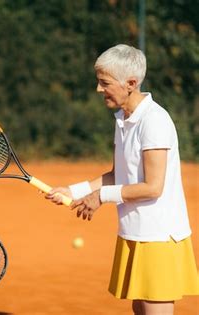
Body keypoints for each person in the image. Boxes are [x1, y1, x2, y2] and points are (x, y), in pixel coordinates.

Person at [46, 44, 199, 315]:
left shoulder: (154, 121)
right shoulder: (123, 118)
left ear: (130, 83)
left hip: (158, 236)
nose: (98, 89)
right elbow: (119, 173)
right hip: (135, 231)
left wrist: (101, 197)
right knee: (139, 309)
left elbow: (153, 187)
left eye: (104, 83)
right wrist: (74, 190)